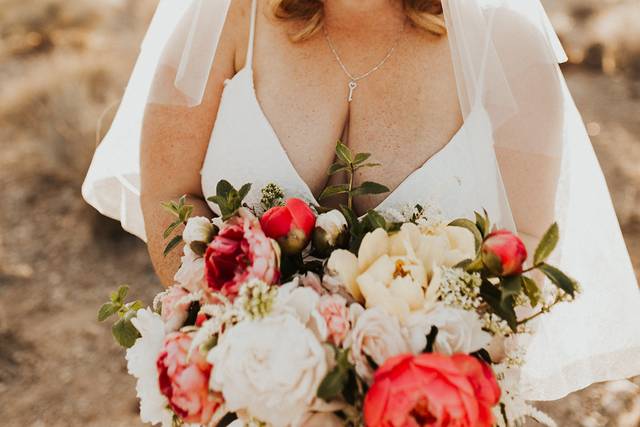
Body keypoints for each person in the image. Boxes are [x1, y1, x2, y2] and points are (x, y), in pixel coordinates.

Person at [83, 0, 640, 403]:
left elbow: (523, 272)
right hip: (249, 394)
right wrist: (247, 357)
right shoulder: (229, 19)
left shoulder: (508, 47)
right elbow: (171, 198)